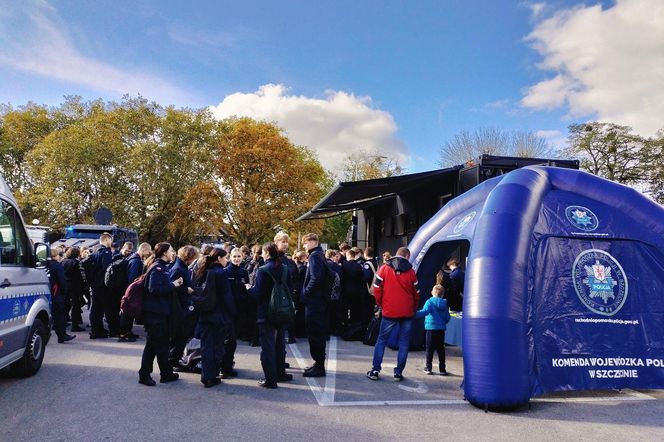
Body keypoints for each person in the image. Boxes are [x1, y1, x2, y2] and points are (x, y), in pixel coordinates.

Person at [366, 247, 420, 381]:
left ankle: (375, 370)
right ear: (407, 256)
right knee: (404, 343)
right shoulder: (412, 272)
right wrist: (414, 308)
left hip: (389, 311)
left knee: (382, 340)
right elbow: (417, 293)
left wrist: (381, 304)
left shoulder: (384, 269)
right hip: (407, 312)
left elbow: (376, 289)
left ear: (396, 254)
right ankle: (398, 372)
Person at [248, 243, 293, 388]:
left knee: (267, 346)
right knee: (280, 343)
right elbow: (290, 288)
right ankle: (281, 373)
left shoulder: (263, 270)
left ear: (267, 253)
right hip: (283, 309)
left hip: (266, 311)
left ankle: (270, 379)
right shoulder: (285, 268)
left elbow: (258, 293)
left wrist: (249, 289)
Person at [139, 242, 182, 386]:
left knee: (158, 345)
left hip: (159, 313)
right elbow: (154, 289)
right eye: (171, 250)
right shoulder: (157, 268)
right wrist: (173, 285)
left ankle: (165, 373)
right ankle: (146, 374)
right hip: (155, 314)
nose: (173, 253)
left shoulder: (161, 267)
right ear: (164, 253)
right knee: (156, 346)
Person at [194, 247, 234, 388]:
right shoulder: (221, 273)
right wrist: (233, 312)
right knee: (217, 347)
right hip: (219, 314)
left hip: (205, 313)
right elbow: (226, 295)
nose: (227, 260)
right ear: (218, 258)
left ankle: (206, 375)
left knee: (206, 346)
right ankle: (212, 375)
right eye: (225, 257)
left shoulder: (202, 270)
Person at [301, 233, 328, 378]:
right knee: (317, 334)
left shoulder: (314, 256)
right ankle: (318, 364)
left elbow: (316, 278)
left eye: (305, 243)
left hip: (314, 302)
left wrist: (306, 292)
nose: (304, 246)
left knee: (315, 334)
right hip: (318, 301)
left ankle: (319, 366)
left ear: (312, 242)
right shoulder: (319, 255)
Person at [220, 247, 249, 378]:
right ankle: (224, 367)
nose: (237, 258)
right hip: (228, 312)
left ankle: (228, 363)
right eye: (234, 256)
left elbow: (246, 290)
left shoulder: (244, 272)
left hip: (241, 311)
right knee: (228, 340)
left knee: (233, 341)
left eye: (239, 256)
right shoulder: (225, 272)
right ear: (230, 257)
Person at [169, 245, 199, 367]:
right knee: (179, 336)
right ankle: (173, 360)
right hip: (180, 306)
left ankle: (175, 358)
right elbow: (172, 287)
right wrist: (186, 289)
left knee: (181, 336)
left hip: (183, 305)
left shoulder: (181, 267)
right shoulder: (178, 269)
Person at [119, 242, 152, 342]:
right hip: (131, 290)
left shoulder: (132, 258)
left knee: (128, 312)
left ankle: (127, 331)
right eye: (148, 251)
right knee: (128, 312)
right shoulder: (136, 261)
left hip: (129, 289)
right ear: (144, 249)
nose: (148, 254)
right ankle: (123, 333)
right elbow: (132, 278)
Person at [415, 284, 450, 375]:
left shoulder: (429, 302)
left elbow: (424, 312)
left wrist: (413, 314)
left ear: (432, 292)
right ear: (442, 294)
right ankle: (442, 369)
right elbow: (447, 318)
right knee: (441, 349)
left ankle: (428, 367)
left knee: (429, 349)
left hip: (430, 329)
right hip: (441, 330)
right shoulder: (444, 304)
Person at [88, 233, 116, 339]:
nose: (111, 242)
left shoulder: (94, 250)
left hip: (95, 283)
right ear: (107, 239)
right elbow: (107, 268)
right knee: (106, 308)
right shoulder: (106, 251)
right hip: (102, 284)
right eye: (111, 240)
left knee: (96, 307)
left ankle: (96, 329)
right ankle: (108, 330)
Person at [274, 231, 298, 344]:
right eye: (283, 242)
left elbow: (295, 276)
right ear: (276, 242)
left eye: (286, 242)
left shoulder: (289, 261)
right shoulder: (274, 259)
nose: (285, 244)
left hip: (289, 293)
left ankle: (290, 335)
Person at [48, 248, 76, 343]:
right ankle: (62, 335)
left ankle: (47, 334)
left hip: (47, 293)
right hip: (57, 293)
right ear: (56, 256)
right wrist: (65, 292)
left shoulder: (45, 265)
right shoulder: (57, 266)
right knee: (60, 315)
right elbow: (62, 281)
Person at [61, 247, 86, 332]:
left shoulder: (63, 262)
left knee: (65, 305)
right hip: (75, 286)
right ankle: (74, 325)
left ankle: (62, 323)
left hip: (65, 285)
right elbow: (80, 276)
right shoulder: (77, 263)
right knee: (75, 306)